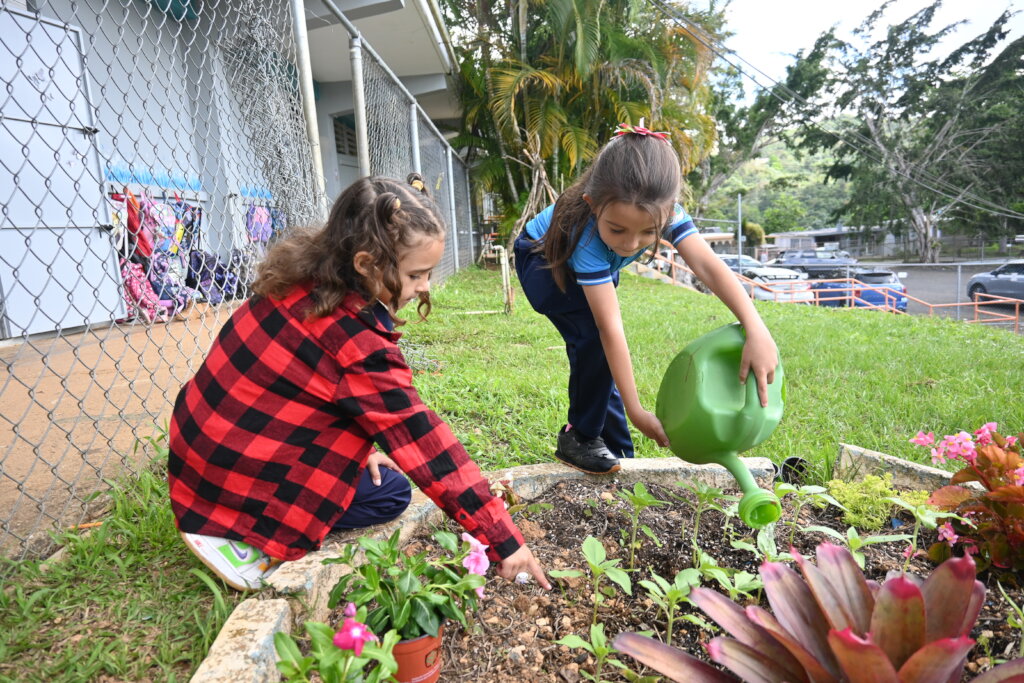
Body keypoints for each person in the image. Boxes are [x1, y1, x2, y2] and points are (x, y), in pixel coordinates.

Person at [168, 174, 550, 591]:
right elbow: (422, 441)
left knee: (375, 474)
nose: (425, 287)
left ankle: (227, 514)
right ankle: (245, 538)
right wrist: (503, 539)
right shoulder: (356, 341)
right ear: (366, 263)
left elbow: (302, 391)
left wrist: (360, 450)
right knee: (389, 495)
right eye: (417, 274)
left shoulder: (300, 281)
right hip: (238, 479)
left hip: (200, 454)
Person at [515, 122, 779, 475]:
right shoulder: (588, 239)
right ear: (592, 205)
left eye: (648, 233)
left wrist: (756, 327)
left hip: (588, 263)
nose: (629, 244)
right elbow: (611, 329)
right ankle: (579, 437)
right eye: (618, 229)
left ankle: (620, 455)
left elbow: (708, 265)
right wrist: (637, 410)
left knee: (603, 363)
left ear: (669, 213)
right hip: (544, 264)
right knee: (594, 342)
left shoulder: (660, 209)